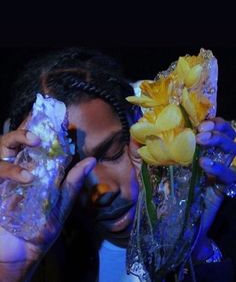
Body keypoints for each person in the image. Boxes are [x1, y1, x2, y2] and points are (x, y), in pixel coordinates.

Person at [0, 47, 236, 282]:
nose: (103, 189)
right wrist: (10, 273)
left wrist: (190, 248)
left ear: (139, 123)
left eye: (112, 153)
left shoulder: (223, 217)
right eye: (65, 171)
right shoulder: (50, 265)